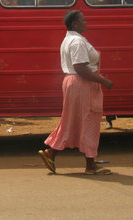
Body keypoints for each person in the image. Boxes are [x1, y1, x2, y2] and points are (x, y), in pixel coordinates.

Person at [39, 10, 114, 175]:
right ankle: (90, 165)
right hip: (83, 85)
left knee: (72, 122)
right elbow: (80, 68)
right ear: (74, 24)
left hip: (74, 84)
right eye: (83, 20)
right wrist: (104, 81)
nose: (86, 22)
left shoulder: (69, 39)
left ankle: (52, 153)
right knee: (89, 121)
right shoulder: (77, 42)